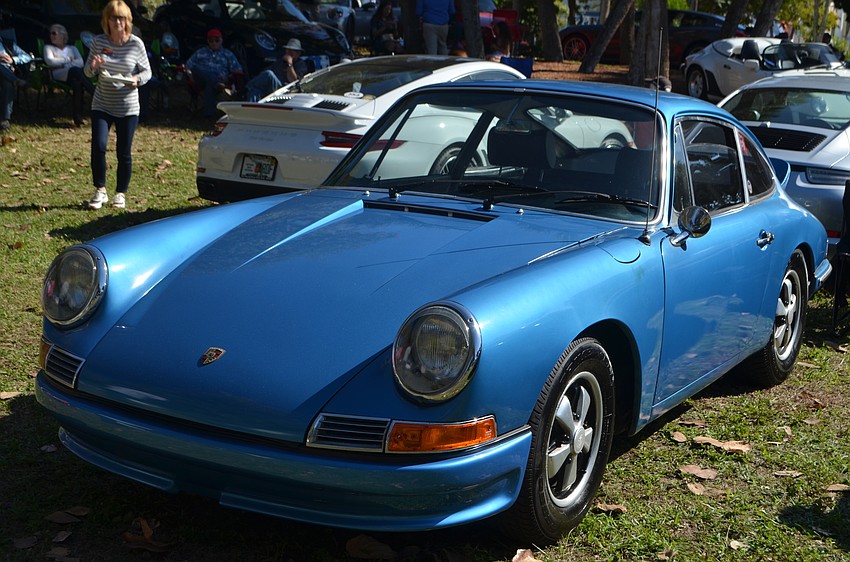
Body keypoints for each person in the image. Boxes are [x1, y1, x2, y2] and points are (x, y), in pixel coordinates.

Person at [83, 0, 151, 209]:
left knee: (124, 151)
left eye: (121, 18)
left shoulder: (135, 43)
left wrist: (136, 80)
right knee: (99, 146)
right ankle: (100, 190)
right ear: (107, 20)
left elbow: (147, 72)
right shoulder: (99, 41)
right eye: (113, 18)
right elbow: (87, 72)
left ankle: (120, 193)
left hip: (128, 106)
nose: (117, 22)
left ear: (127, 20)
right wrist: (93, 66)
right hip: (102, 102)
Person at [44, 23, 96, 126]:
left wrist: (62, 64)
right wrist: (68, 60)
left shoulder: (72, 48)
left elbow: (81, 62)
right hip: (57, 75)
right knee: (75, 70)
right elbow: (50, 61)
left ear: (62, 35)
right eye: (50, 33)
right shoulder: (48, 48)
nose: (52, 36)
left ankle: (78, 118)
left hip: (72, 75)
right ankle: (94, 93)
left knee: (77, 84)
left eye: (54, 33)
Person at [184, 28, 243, 117]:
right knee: (196, 68)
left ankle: (208, 115)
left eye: (216, 40)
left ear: (221, 40)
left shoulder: (228, 54)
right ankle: (215, 83)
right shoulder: (201, 52)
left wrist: (228, 78)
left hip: (220, 79)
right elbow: (187, 66)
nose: (214, 43)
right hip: (200, 79)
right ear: (208, 41)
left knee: (210, 86)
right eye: (211, 41)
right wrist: (190, 75)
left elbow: (238, 70)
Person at [244, 38, 306, 102]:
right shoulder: (280, 62)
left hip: (285, 89)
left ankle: (247, 86)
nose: (289, 52)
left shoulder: (301, 65)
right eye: (287, 50)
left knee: (269, 74)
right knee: (254, 91)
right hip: (272, 86)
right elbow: (264, 73)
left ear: (298, 53)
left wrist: (289, 64)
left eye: (292, 50)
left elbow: (293, 81)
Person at [0, 26, 33, 131]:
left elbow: (27, 57)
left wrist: (13, 60)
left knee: (7, 84)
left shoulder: (7, 43)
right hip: (10, 74)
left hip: (5, 75)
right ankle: (16, 80)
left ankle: (4, 119)